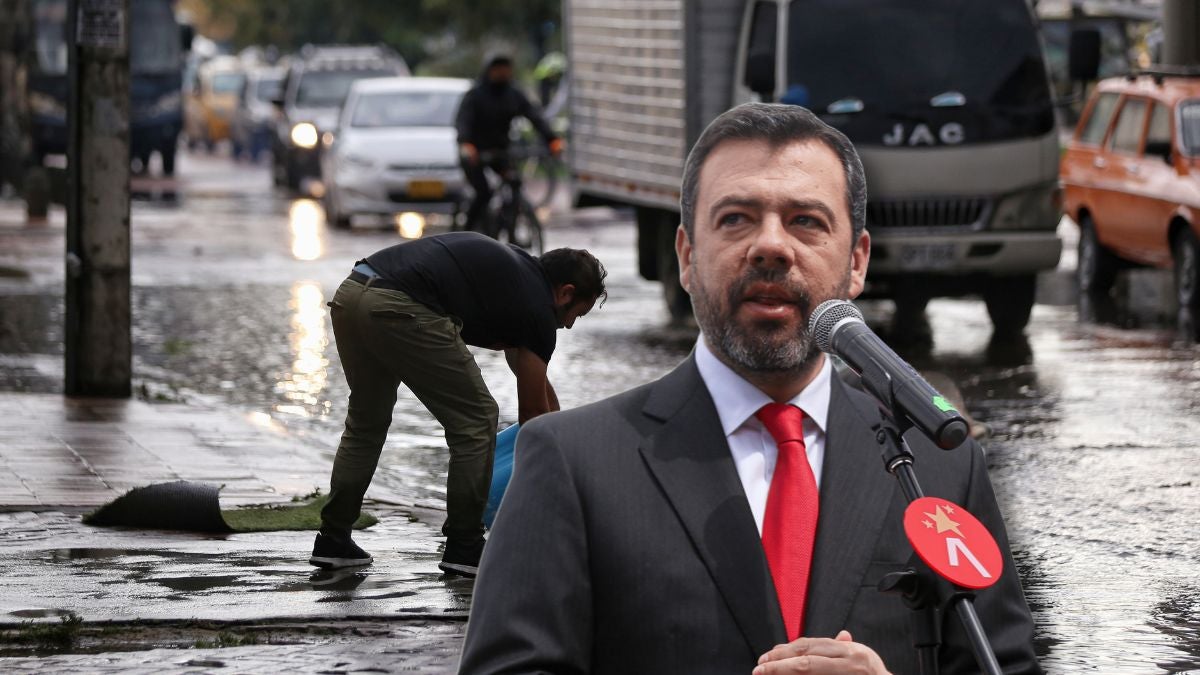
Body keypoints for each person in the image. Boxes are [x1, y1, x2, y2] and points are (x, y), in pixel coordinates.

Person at [459, 103, 1041, 673]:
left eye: (806, 221)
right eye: (735, 218)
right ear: (686, 256)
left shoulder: (941, 468)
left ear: (857, 262)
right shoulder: (570, 461)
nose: (771, 246)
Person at [308, 231, 607, 577]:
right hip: (398, 305)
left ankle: (333, 538)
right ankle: (465, 545)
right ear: (565, 293)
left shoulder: (516, 276)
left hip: (353, 294)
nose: (568, 325)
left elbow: (532, 377)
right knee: (477, 420)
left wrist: (560, 426)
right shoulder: (538, 310)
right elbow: (533, 417)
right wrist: (566, 467)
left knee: (366, 421)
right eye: (576, 315)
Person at [455, 54, 563, 238]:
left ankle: (510, 228)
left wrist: (552, 139)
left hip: (501, 152)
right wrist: (466, 144)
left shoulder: (513, 94)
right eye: (498, 69)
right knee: (483, 192)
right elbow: (463, 122)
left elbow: (534, 116)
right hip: (475, 154)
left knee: (514, 183)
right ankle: (465, 233)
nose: (503, 73)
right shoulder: (475, 95)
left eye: (506, 69)